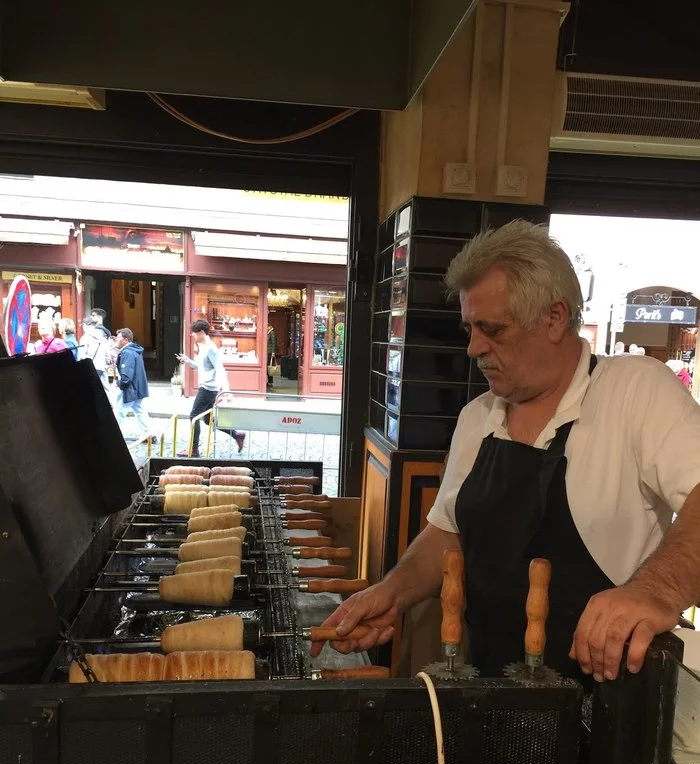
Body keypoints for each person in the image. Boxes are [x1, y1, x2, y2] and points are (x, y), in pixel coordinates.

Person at [313, 221, 700, 687]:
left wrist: (655, 591)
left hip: (603, 703)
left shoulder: (634, 390)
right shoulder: (479, 417)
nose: (475, 347)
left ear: (554, 318)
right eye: (470, 328)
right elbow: (447, 535)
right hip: (490, 691)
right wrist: (391, 593)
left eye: (492, 329)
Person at [177, 319, 245, 456]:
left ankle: (193, 449)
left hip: (208, 389)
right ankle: (236, 435)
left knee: (194, 416)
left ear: (202, 333)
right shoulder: (203, 347)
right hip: (209, 388)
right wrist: (188, 361)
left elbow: (220, 370)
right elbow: (202, 366)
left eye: (195, 334)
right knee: (208, 420)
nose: (193, 337)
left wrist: (227, 391)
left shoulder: (211, 349)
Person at [114, 327, 153, 442]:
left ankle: (111, 435)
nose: (116, 340)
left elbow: (127, 375)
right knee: (139, 410)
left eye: (118, 338)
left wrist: (120, 383)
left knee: (119, 411)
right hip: (137, 386)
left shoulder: (128, 353)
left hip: (130, 388)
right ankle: (148, 434)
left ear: (125, 339)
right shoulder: (134, 351)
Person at [78, 318, 109, 388]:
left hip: (89, 367)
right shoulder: (103, 337)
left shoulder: (85, 337)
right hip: (101, 367)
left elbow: (81, 355)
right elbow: (107, 355)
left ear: (85, 326)